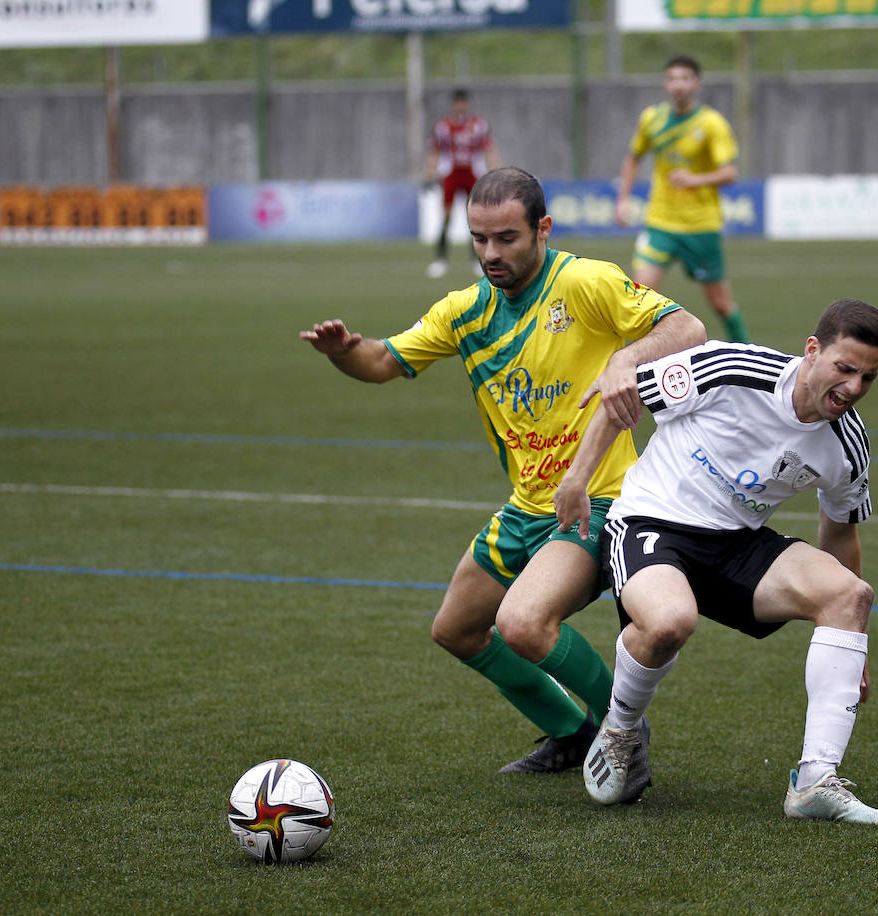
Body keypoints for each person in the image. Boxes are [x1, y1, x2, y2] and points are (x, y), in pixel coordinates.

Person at [301, 168, 706, 798]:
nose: (491, 254)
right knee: (457, 629)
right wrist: (341, 351)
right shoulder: (464, 312)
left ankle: (619, 727)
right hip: (526, 508)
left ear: (542, 229)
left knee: (522, 624)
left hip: (601, 502)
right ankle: (572, 732)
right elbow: (381, 361)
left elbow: (687, 330)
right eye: (479, 239)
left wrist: (626, 357)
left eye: (508, 238)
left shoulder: (585, 282)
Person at [553, 298, 878, 823]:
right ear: (812, 351)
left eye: (868, 378)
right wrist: (577, 478)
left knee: (851, 596)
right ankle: (620, 729)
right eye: (844, 369)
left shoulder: (848, 444)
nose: (852, 388)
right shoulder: (733, 369)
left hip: (736, 544)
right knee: (669, 623)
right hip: (651, 523)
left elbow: (841, 532)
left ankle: (814, 782)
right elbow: (623, 399)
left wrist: (851, 639)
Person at [614, 55, 749, 344]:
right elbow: (632, 158)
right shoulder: (652, 118)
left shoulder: (711, 123)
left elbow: (730, 172)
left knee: (721, 304)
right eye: (673, 78)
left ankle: (747, 358)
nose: (679, 85)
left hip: (700, 225)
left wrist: (695, 179)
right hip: (660, 222)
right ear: (666, 84)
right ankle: (633, 370)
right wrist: (623, 199)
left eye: (686, 78)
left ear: (696, 84)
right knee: (638, 300)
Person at [425, 88, 500, 279]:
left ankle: (476, 260)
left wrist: (496, 171)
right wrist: (429, 173)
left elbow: (488, 149)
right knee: (447, 216)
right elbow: (435, 151)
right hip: (451, 175)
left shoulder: (479, 125)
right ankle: (440, 260)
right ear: (453, 104)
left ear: (467, 104)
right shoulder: (443, 126)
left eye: (463, 102)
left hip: (472, 175)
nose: (460, 105)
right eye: (457, 102)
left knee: (474, 219)